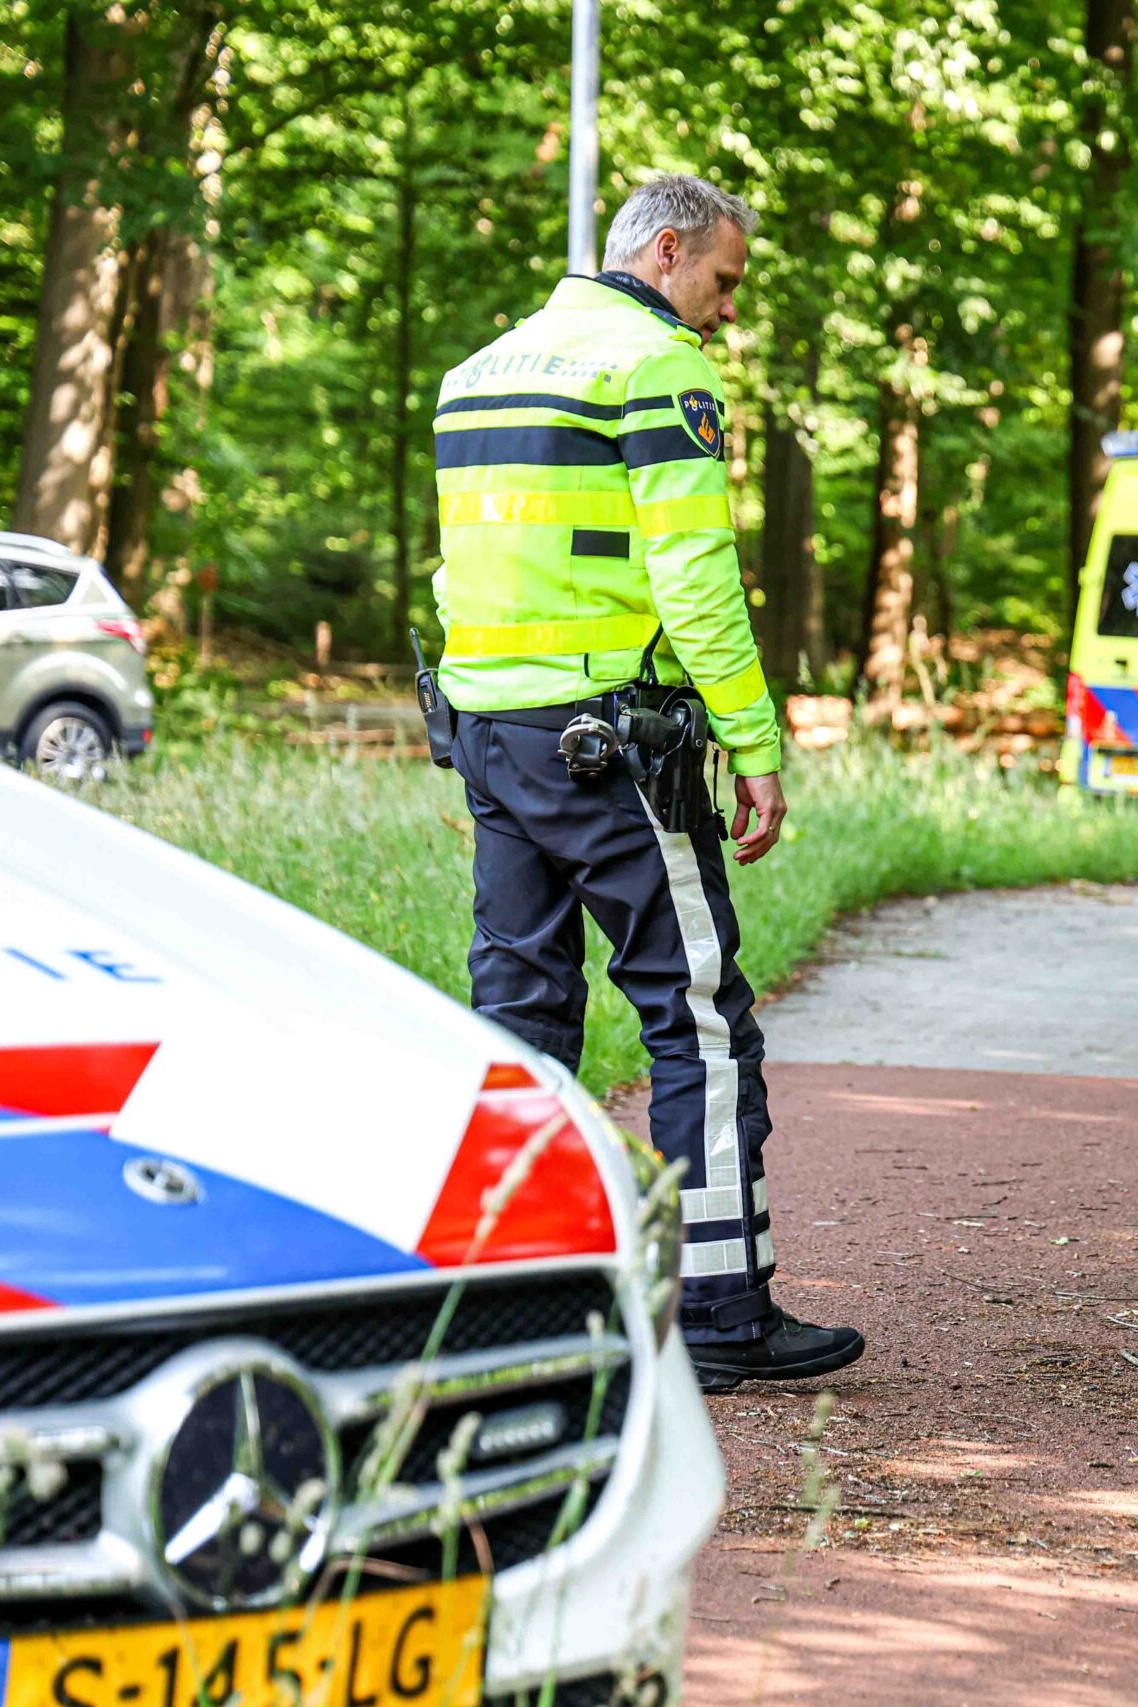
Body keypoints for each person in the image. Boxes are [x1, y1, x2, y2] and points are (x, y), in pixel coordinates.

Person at [429, 172, 862, 1392]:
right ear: (666, 250)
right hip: (611, 742)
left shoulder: (478, 374)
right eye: (722, 281)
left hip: (493, 735)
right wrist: (755, 743)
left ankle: (514, 1307)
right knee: (701, 1017)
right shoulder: (657, 367)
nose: (724, 312)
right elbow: (694, 574)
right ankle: (722, 1313)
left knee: (519, 1018)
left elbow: (456, 577)